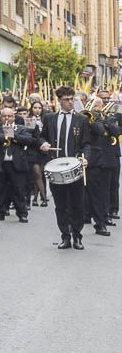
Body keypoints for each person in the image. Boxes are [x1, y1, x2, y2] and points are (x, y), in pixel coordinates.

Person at [38, 86, 90, 250]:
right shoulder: (50, 118)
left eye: (72, 99)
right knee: (60, 205)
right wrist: (43, 144)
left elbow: (86, 143)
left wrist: (85, 158)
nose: (70, 102)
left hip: (74, 166)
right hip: (55, 167)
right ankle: (65, 236)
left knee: (77, 204)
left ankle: (77, 236)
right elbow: (42, 137)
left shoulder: (81, 119)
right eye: (66, 100)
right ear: (59, 101)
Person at [0, 105, 37, 224]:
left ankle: (22, 213)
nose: (7, 118)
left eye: (10, 116)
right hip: (1, 162)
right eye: (5, 116)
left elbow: (29, 140)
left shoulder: (20, 128)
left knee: (19, 189)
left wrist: (12, 136)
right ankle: (1, 212)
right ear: (0, 117)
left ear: (14, 117)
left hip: (16, 163)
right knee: (1, 190)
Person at [81, 98, 119, 237]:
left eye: (98, 105)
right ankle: (90, 217)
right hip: (92, 160)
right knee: (91, 192)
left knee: (103, 193)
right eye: (93, 105)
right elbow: (99, 131)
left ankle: (101, 222)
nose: (95, 108)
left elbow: (116, 131)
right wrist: (95, 118)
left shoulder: (108, 118)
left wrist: (104, 119)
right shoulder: (86, 118)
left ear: (102, 106)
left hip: (107, 160)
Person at [24, 100, 48, 207]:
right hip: (32, 150)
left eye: (39, 108)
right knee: (37, 174)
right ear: (31, 109)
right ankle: (43, 199)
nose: (37, 110)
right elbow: (30, 136)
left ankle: (36, 198)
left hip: (43, 150)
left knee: (40, 175)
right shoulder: (28, 120)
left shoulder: (46, 119)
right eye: (35, 108)